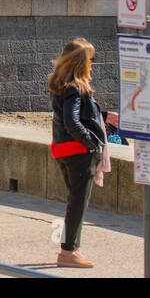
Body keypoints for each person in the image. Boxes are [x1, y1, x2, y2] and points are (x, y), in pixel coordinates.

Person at [48, 38, 106, 269]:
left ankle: (72, 248)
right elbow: (73, 122)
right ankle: (68, 252)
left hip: (62, 148)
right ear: (82, 62)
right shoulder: (75, 88)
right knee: (78, 203)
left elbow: (71, 117)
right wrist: (91, 142)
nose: (93, 63)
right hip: (78, 152)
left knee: (74, 200)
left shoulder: (59, 84)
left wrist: (105, 116)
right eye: (92, 59)